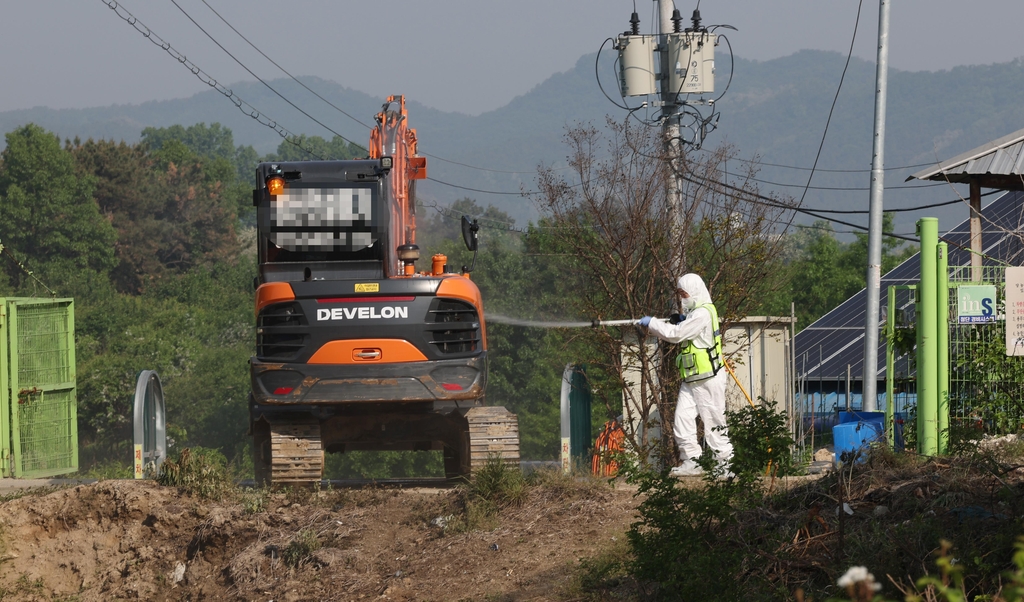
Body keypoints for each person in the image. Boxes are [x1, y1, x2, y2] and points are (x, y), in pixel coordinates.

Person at [638, 273, 733, 477]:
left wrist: (652, 323)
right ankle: (692, 460)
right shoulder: (696, 314)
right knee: (682, 419)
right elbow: (685, 328)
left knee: (714, 422)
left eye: (685, 294)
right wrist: (681, 320)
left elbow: (677, 334)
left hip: (708, 378)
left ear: (696, 291)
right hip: (693, 378)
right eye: (680, 294)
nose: (682, 298)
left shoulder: (703, 314)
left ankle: (724, 467)